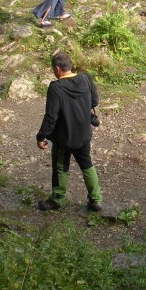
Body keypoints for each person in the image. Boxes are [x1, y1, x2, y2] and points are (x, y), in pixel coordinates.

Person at [35, 52, 102, 212]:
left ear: (57, 69)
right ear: (70, 65)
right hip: (83, 133)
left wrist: (41, 136)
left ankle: (57, 200)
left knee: (60, 166)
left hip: (63, 137)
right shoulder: (86, 78)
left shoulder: (56, 87)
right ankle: (95, 200)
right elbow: (95, 101)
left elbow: (51, 116)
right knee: (87, 164)